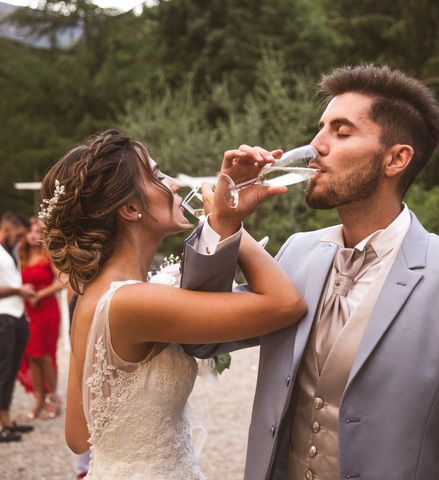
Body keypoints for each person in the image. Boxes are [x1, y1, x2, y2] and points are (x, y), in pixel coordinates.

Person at [184, 65, 439, 479]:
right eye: (320, 129)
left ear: (396, 158)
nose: (316, 146)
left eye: (341, 133)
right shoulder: (298, 253)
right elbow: (203, 337)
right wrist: (223, 223)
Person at [39, 130, 305, 478]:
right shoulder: (131, 303)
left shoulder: (94, 297)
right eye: (157, 175)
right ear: (131, 208)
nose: (175, 184)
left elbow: (78, 435)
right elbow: (285, 304)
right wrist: (229, 219)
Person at [17, 218, 64, 419]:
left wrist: (40, 294)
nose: (33, 235)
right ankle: (39, 397)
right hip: (28, 311)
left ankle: (53, 398)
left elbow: (63, 281)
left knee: (44, 356)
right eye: (30, 232)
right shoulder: (23, 258)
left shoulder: (48, 256)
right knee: (32, 356)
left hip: (46, 310)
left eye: (37, 231)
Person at [0, 212, 36, 442]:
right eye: (19, 234)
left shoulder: (11, 252)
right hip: (3, 316)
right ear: (8, 229)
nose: (21, 239)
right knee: (2, 372)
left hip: (17, 315)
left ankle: (7, 420)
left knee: (11, 371)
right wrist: (19, 290)